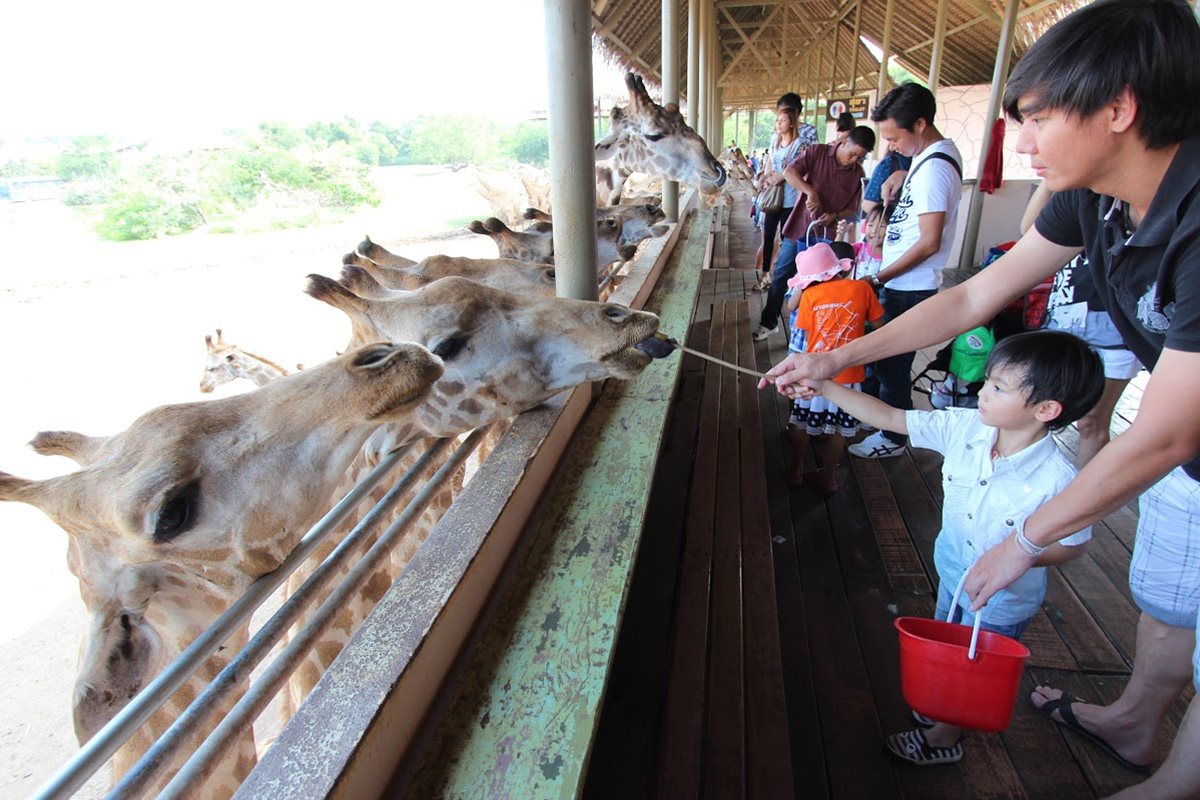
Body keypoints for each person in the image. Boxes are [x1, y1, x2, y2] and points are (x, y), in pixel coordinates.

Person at [761, 2, 1200, 795]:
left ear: (1119, 108)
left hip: (1184, 439)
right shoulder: (1092, 195)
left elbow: (1165, 434)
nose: (1021, 144)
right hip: (1189, 457)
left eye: (1034, 121)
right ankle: (1139, 723)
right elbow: (971, 300)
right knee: (1169, 598)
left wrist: (1025, 540)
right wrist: (839, 358)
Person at [806, 331, 1103, 764]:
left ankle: (945, 736)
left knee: (976, 662)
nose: (982, 392)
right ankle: (939, 699)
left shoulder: (1058, 479)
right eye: (988, 382)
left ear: (1045, 410)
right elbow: (891, 418)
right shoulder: (966, 427)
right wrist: (824, 385)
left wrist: (1018, 554)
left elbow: (1074, 546)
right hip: (952, 569)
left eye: (998, 388)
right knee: (949, 640)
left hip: (1002, 600)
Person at [846, 82, 963, 459]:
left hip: (909, 287)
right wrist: (901, 170)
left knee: (893, 364)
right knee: (883, 360)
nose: (891, 147)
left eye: (894, 138)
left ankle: (893, 438)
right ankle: (882, 417)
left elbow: (929, 242)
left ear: (920, 124)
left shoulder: (934, 170)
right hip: (901, 281)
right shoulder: (925, 159)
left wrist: (880, 277)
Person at [1023, 182, 1144, 467]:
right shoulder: (1079, 196)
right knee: (1033, 407)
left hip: (1115, 329)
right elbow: (1029, 229)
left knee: (1091, 421)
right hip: (1063, 319)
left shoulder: (1136, 200)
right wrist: (1049, 183)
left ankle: (1079, 498)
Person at [752, 125, 875, 339]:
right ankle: (769, 321)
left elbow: (853, 209)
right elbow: (789, 172)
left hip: (827, 239)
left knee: (820, 285)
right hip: (800, 227)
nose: (854, 160)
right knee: (782, 273)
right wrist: (810, 192)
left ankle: (812, 333)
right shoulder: (817, 152)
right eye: (853, 154)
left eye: (860, 157)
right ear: (843, 142)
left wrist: (835, 215)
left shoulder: (857, 174)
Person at [783, 243, 884, 491]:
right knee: (840, 432)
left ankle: (795, 472)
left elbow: (805, 333)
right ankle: (828, 478)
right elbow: (880, 324)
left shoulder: (810, 296)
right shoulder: (862, 288)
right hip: (849, 373)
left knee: (800, 424)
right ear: (838, 268)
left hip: (816, 374)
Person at [753, 106, 806, 292]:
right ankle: (765, 274)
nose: (778, 124)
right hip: (773, 198)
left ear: (791, 123)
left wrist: (781, 177)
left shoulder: (800, 144)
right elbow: (769, 163)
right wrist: (766, 179)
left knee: (787, 239)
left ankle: (786, 278)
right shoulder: (775, 142)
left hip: (791, 199)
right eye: (777, 121)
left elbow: (801, 167)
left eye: (782, 121)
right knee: (768, 236)